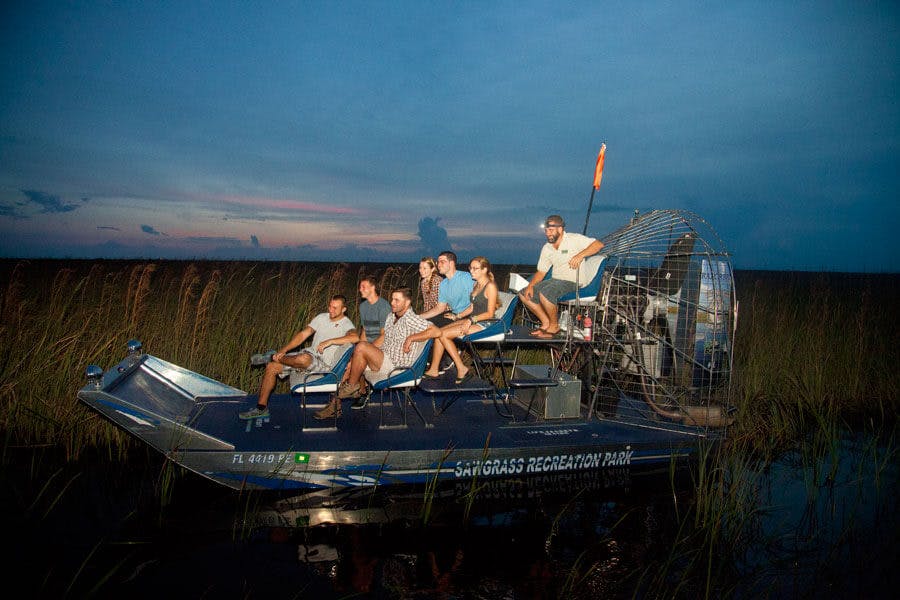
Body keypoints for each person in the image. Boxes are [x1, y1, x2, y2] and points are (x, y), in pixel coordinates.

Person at [316, 287, 440, 418]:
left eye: (397, 300)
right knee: (352, 360)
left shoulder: (411, 318)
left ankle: (353, 386)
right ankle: (335, 406)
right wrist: (365, 350)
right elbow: (383, 338)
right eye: (392, 299)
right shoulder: (391, 316)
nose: (392, 302)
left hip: (396, 365)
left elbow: (436, 331)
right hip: (383, 358)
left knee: (361, 347)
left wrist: (411, 338)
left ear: (407, 302)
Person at [240, 294, 355, 419]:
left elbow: (355, 337)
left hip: (324, 365)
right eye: (330, 306)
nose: (331, 310)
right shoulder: (322, 317)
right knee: (272, 368)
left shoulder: (346, 323)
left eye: (335, 308)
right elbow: (303, 335)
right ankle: (261, 408)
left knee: (303, 358)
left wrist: (330, 341)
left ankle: (272, 356)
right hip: (309, 355)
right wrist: (283, 350)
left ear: (343, 309)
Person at [520, 215, 604, 338]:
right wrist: (531, 286)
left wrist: (580, 255)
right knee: (524, 294)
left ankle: (554, 326)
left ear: (560, 229)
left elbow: (598, 245)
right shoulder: (547, 248)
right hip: (555, 281)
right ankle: (546, 323)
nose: (548, 233)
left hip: (573, 282)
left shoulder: (574, 239)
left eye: (551, 230)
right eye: (546, 230)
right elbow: (541, 272)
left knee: (547, 292)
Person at [422, 256, 500, 384]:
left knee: (444, 335)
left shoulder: (490, 286)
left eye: (475, 269)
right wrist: (457, 316)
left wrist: (470, 320)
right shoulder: (477, 285)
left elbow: (490, 313)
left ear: (484, 270)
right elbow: (472, 307)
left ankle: (462, 368)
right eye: (470, 268)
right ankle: (434, 369)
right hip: (474, 320)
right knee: (438, 332)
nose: (472, 271)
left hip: (486, 323)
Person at [417, 251, 474, 372]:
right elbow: (440, 308)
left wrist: (459, 316)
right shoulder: (444, 283)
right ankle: (427, 362)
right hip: (453, 315)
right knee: (424, 324)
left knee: (435, 330)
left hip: (468, 316)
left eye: (442, 261)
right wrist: (419, 317)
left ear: (452, 263)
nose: (439, 264)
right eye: (438, 262)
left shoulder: (465, 277)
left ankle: (445, 361)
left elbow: (477, 302)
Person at [357, 276, 392, 342]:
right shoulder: (363, 306)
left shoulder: (384, 307)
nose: (360, 290)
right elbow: (364, 331)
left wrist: (368, 349)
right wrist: (362, 345)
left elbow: (384, 336)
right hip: (368, 345)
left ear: (372, 288)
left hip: (382, 345)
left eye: (363, 287)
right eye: (360, 287)